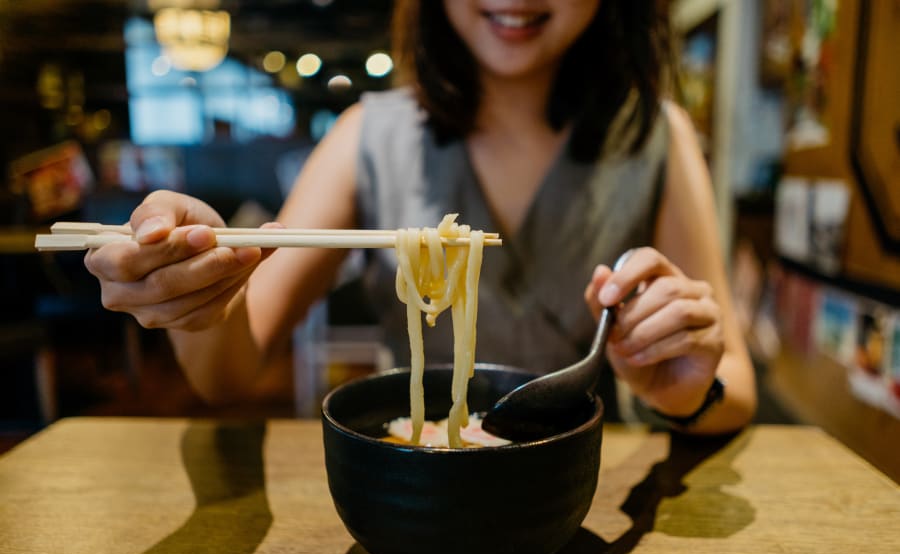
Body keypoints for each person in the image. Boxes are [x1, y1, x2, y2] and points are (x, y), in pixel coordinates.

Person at [84, 0, 756, 434]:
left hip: (581, 493)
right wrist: (197, 302)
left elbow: (735, 390)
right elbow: (227, 374)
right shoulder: (367, 137)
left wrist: (684, 388)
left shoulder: (654, 136)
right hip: (416, 480)